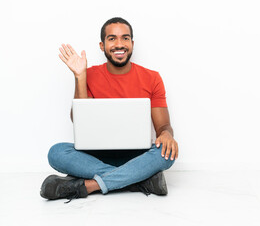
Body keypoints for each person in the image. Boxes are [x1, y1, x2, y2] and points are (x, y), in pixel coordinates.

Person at [40, 17, 179, 202]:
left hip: (137, 156)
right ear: (102, 45)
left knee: (166, 155)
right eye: (112, 38)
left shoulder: (152, 78)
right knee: (56, 153)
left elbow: (164, 127)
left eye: (125, 38)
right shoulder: (89, 74)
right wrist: (80, 77)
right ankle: (138, 181)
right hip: (95, 157)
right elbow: (78, 120)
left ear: (132, 43)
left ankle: (89, 186)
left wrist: (167, 135)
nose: (119, 44)